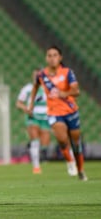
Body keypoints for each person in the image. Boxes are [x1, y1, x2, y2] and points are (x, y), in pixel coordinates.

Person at [28, 46, 87, 181]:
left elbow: (76, 92)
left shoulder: (67, 73)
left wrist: (64, 93)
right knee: (62, 139)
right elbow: (35, 87)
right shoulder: (42, 75)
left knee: (76, 143)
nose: (52, 58)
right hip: (54, 112)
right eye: (49, 55)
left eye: (55, 55)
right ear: (46, 58)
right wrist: (31, 104)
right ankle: (69, 161)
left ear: (60, 57)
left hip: (71, 111)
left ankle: (81, 170)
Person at [16, 69, 51, 174]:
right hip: (33, 116)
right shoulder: (27, 89)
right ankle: (36, 167)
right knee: (35, 139)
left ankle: (40, 155)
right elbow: (18, 103)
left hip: (46, 117)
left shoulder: (48, 88)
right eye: (35, 75)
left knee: (45, 142)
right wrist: (25, 109)